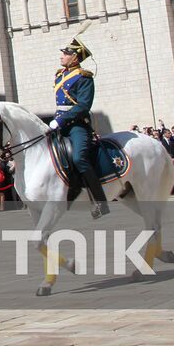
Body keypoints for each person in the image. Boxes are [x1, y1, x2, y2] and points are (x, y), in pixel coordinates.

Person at [49, 38, 109, 217]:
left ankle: (100, 202)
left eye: (65, 54)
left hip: (77, 125)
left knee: (79, 158)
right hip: (59, 122)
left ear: (74, 58)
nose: (62, 56)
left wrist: (62, 120)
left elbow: (83, 106)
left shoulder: (84, 77)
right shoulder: (59, 75)